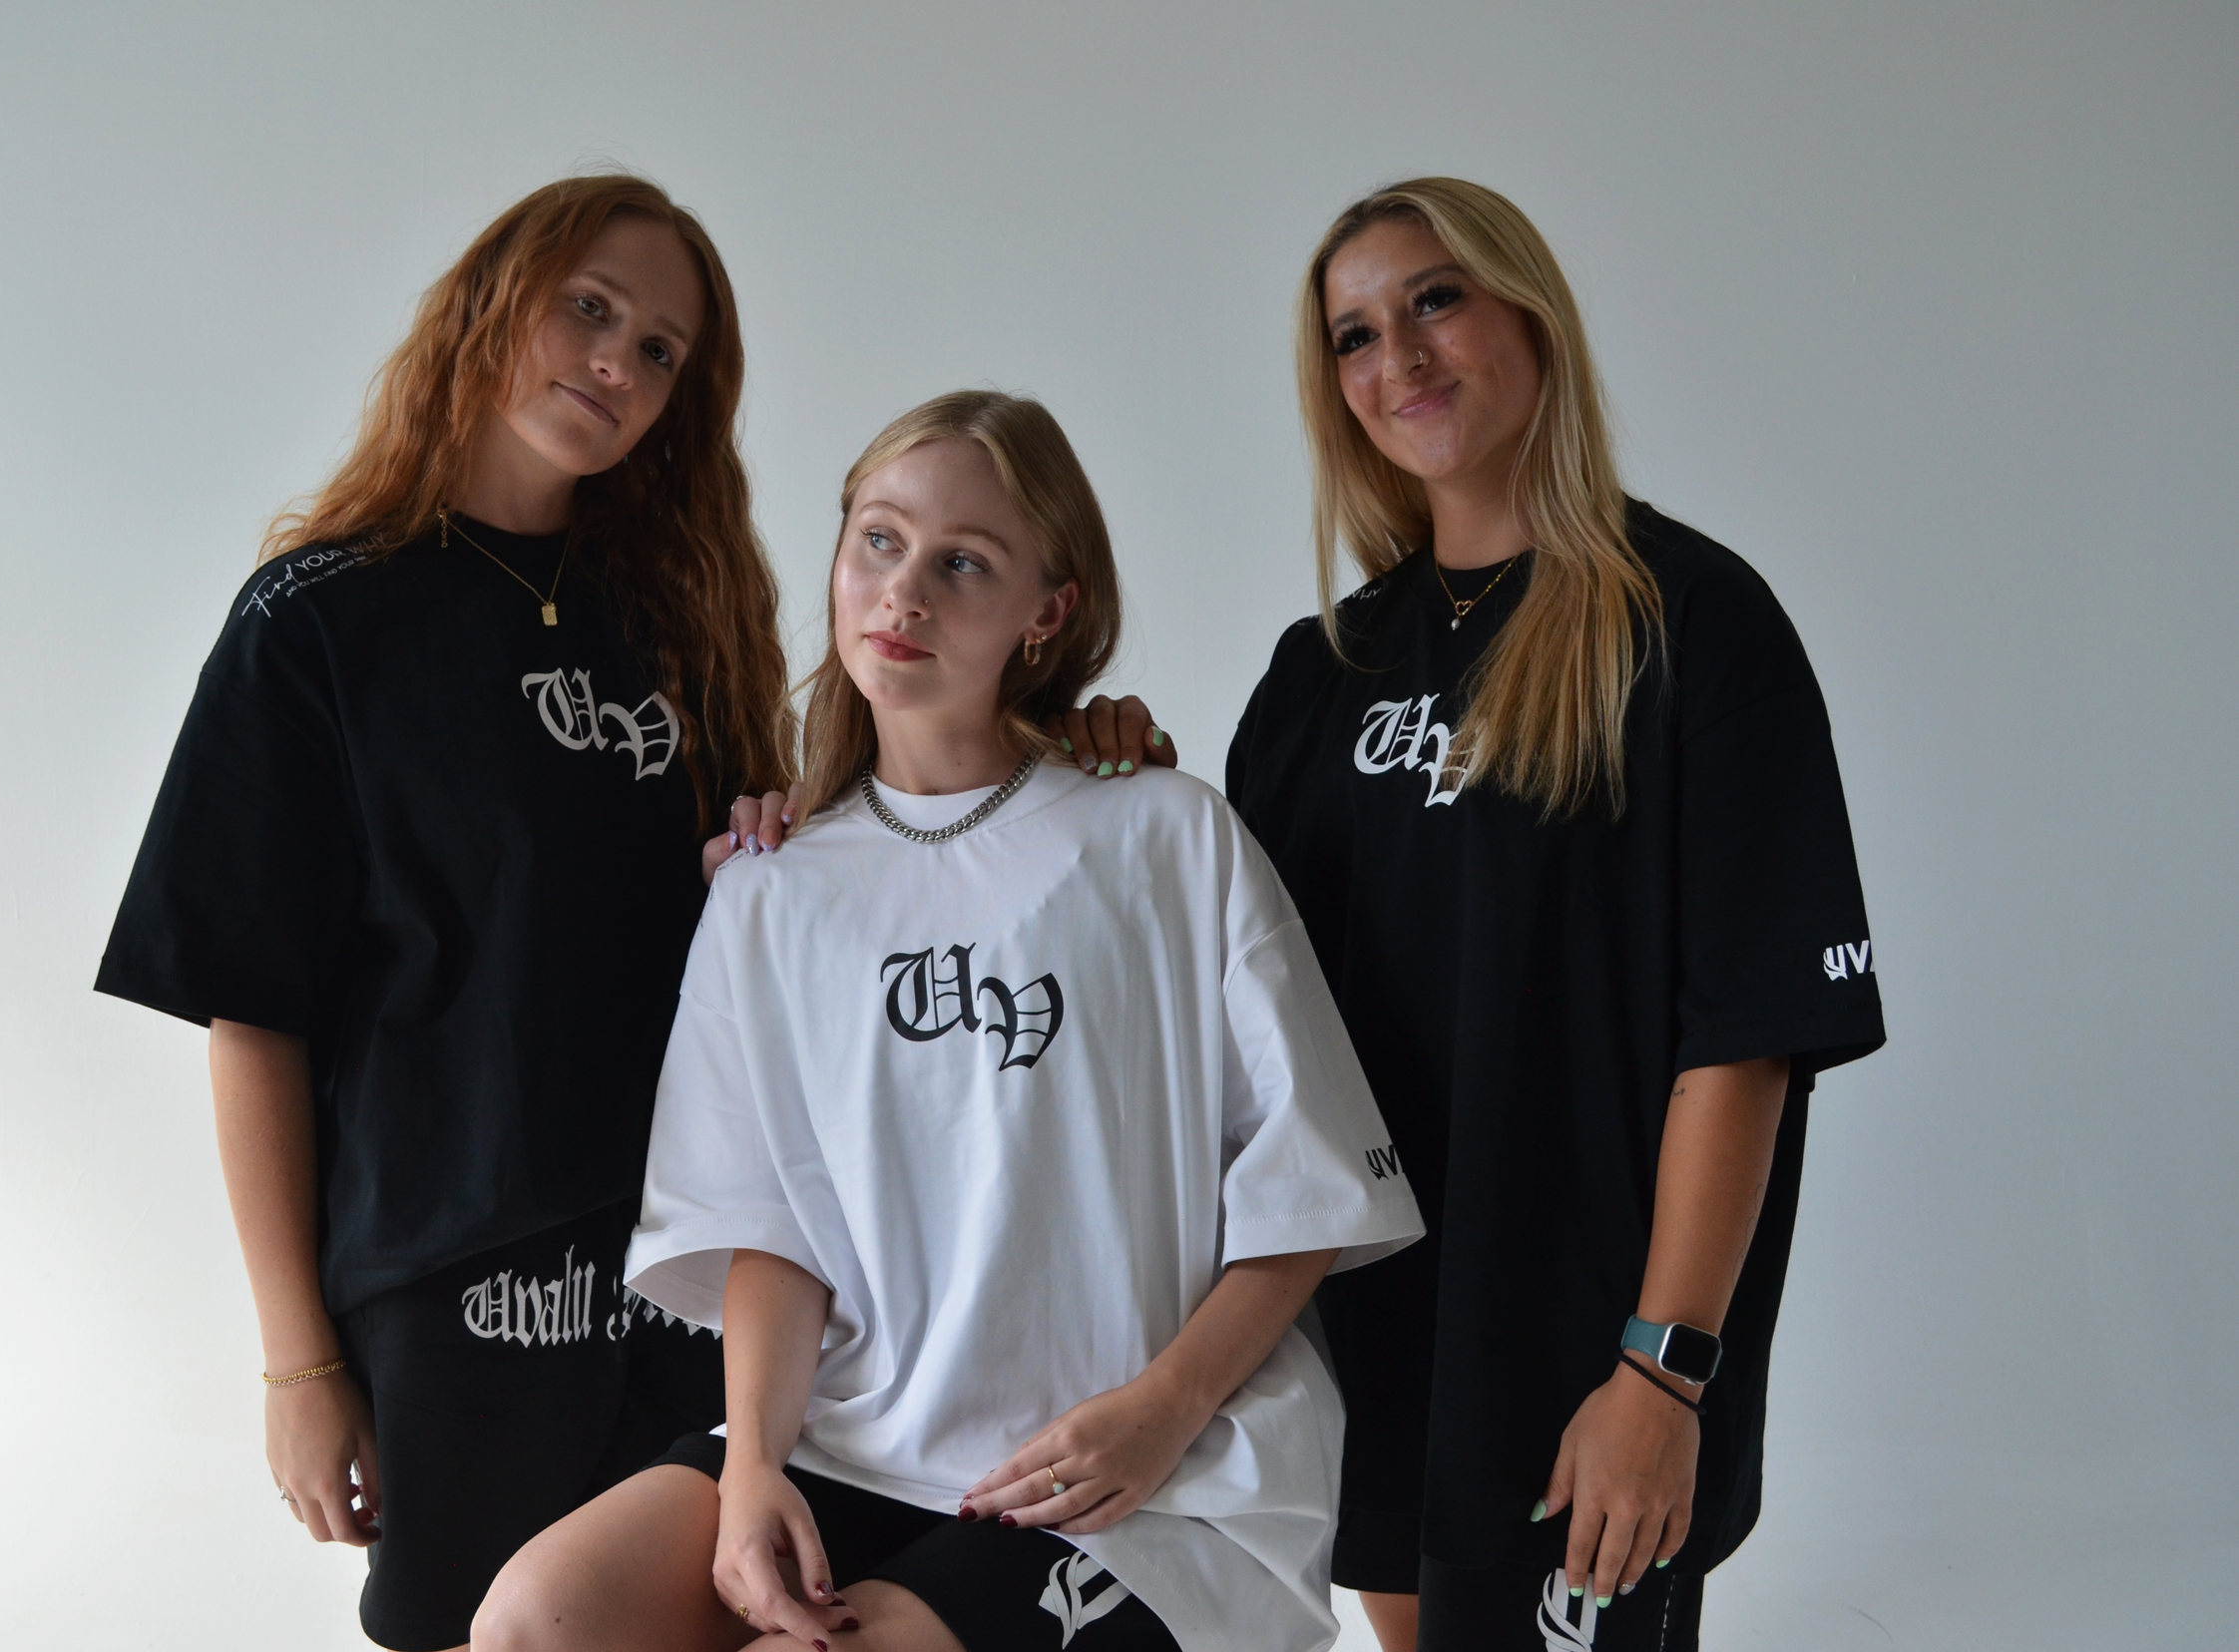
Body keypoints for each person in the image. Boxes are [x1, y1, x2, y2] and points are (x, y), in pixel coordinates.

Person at [470, 389, 1424, 1652]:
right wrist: (749, 1469)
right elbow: (767, 1224)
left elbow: (1310, 1191)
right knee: (535, 1620)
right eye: (879, 540)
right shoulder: (772, 888)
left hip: (1138, 1472)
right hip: (853, 1436)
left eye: (962, 562)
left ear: (1049, 612)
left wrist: (1164, 1406)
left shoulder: (1159, 835)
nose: (904, 591)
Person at [94, 175, 807, 1652]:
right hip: (458, 1275)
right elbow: (253, 1010)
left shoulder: (684, 617)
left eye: (661, 350)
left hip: (703, 1253)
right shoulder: (317, 625)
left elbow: (801, 902)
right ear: (491, 305)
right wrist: (299, 1365)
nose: (618, 362)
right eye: (591, 310)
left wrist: (1081, 736)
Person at [1194, 178, 1885, 1649]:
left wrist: (1663, 1371)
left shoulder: (1690, 621)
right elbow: (1222, 999)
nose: (1403, 357)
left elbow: (1746, 1039)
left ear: (1530, 313)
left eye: (1437, 298)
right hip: (1365, 1340)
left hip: (1585, 1353)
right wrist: (1101, 760)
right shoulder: (1324, 672)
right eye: (1357, 333)